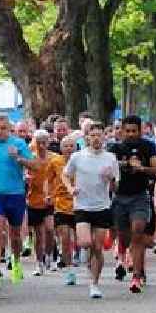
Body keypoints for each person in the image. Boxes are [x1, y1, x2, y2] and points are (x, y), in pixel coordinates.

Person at [63, 122, 120, 298]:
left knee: (97, 247)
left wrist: (111, 179)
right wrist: (70, 189)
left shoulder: (110, 158)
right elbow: (65, 174)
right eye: (92, 135)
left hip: (102, 207)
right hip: (82, 206)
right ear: (86, 137)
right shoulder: (77, 157)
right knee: (86, 242)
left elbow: (116, 187)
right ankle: (86, 260)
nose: (96, 138)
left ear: (104, 136)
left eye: (99, 134)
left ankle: (94, 284)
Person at [0, 113, 38, 291]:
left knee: (15, 236)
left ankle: (15, 261)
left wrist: (18, 158)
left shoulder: (19, 144)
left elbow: (35, 165)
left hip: (15, 194)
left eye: (3, 128)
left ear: (9, 129)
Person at [107, 115, 156, 293]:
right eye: (127, 131)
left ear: (141, 130)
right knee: (125, 238)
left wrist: (141, 168)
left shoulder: (148, 146)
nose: (130, 134)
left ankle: (136, 277)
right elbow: (107, 168)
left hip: (139, 196)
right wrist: (124, 164)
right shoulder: (114, 148)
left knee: (138, 231)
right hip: (119, 198)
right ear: (122, 131)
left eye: (134, 131)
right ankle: (138, 265)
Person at [26, 130, 57, 276]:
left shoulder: (55, 158)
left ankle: (49, 256)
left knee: (50, 229)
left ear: (49, 142)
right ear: (34, 142)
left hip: (50, 200)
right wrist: (26, 178)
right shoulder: (30, 158)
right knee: (38, 234)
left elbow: (61, 178)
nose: (41, 145)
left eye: (44, 142)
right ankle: (39, 263)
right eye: (38, 142)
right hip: (34, 200)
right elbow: (23, 174)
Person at [46, 136, 77, 285]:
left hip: (80, 204)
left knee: (83, 241)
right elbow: (48, 179)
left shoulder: (82, 161)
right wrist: (48, 194)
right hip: (61, 204)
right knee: (65, 238)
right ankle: (70, 270)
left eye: (72, 146)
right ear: (61, 148)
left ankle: (88, 263)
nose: (69, 149)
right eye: (66, 146)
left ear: (76, 148)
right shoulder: (55, 162)